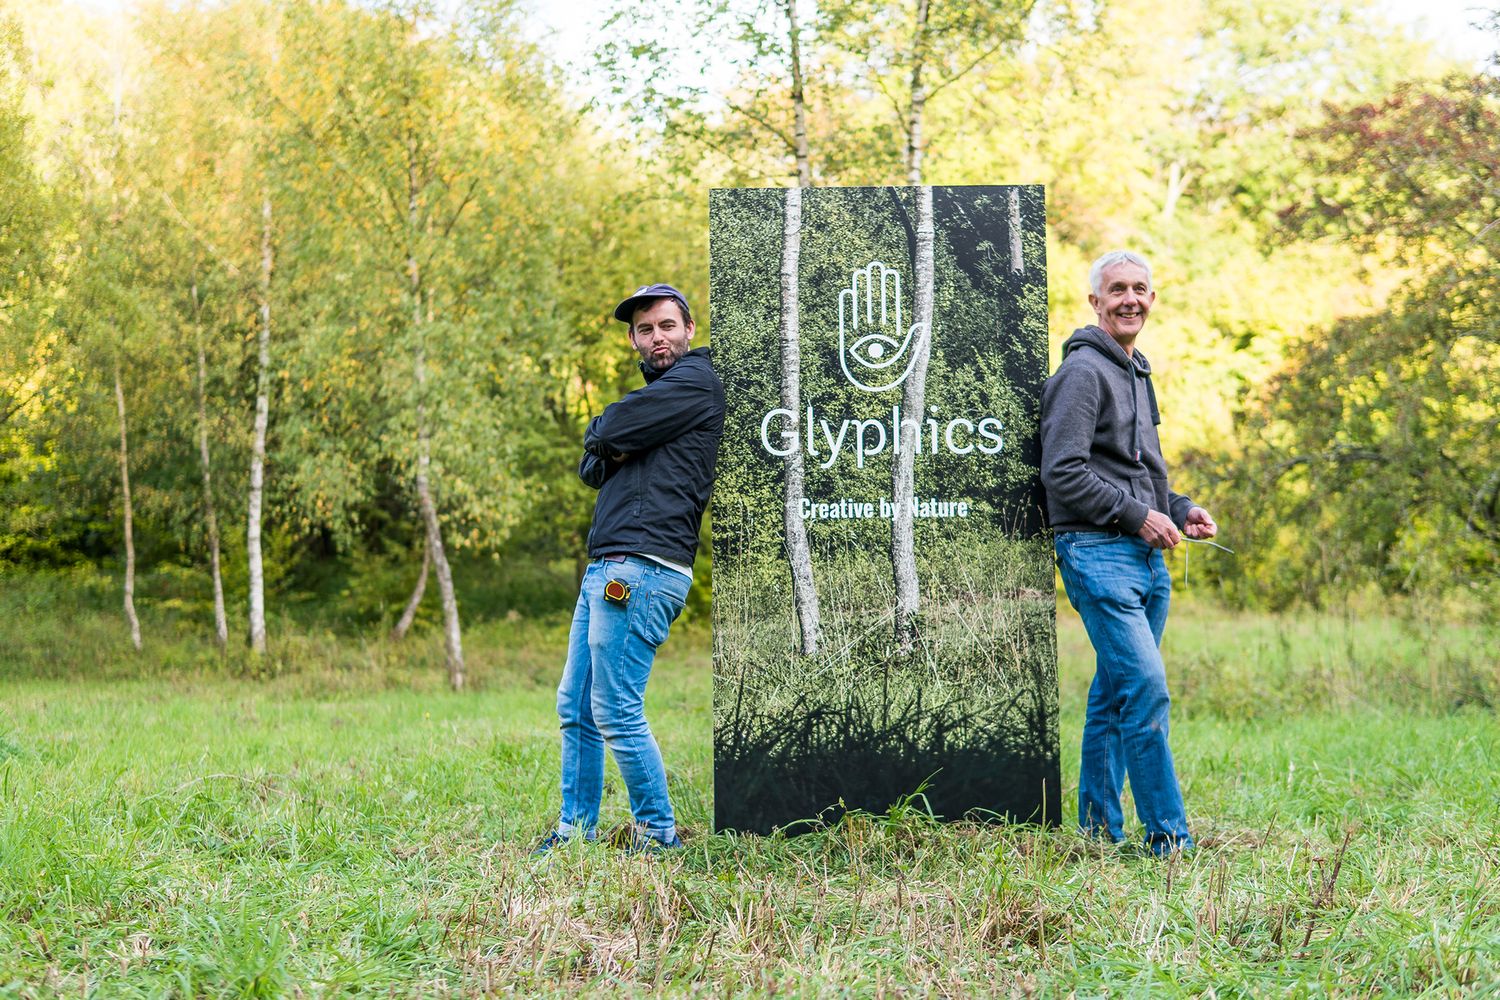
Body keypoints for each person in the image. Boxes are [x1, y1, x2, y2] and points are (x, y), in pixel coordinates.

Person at [534, 283, 724, 855]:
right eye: (645, 330)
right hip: (609, 565)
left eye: (667, 325)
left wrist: (613, 434)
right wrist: (614, 438)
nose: (657, 337)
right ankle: (574, 830)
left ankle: (659, 834)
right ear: (634, 341)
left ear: (688, 329)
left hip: (643, 567)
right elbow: (590, 469)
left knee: (615, 706)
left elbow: (608, 431)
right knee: (576, 704)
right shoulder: (656, 399)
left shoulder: (697, 382)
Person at [1040, 250, 1218, 856]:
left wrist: (1180, 506)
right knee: (1146, 689)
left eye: (1140, 289)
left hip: (1145, 558)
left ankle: (1095, 834)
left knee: (1116, 694)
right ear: (1095, 301)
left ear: (1152, 299)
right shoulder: (1082, 374)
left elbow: (1139, 476)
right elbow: (1062, 474)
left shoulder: (1136, 370)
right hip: (1095, 551)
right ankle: (1170, 840)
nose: (1130, 300)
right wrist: (1140, 516)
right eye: (1117, 290)